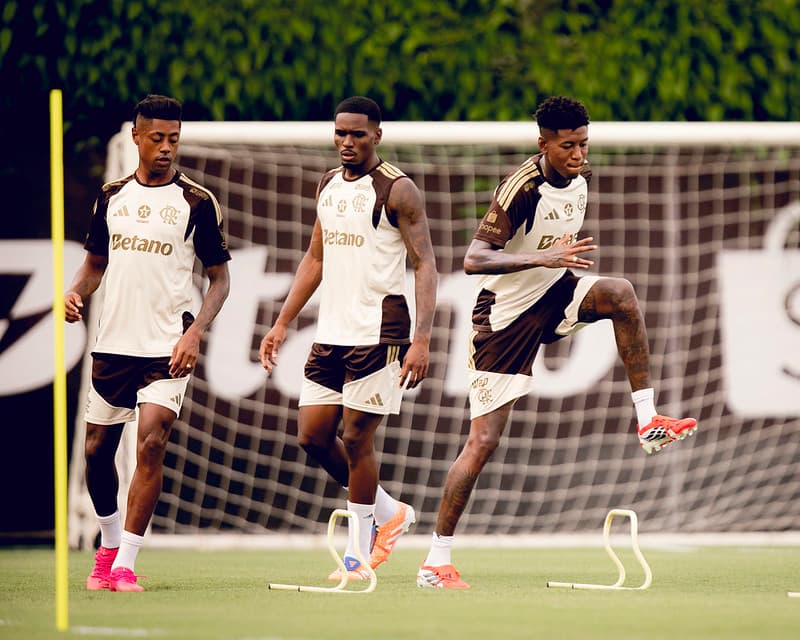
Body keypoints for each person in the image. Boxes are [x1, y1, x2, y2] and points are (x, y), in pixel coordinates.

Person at [416, 96, 698, 589]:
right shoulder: (520, 189)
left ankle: (649, 419)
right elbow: (473, 260)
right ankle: (434, 563)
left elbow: (558, 251)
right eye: (568, 145)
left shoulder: (582, 181)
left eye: (584, 144)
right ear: (542, 143)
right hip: (504, 320)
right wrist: (541, 261)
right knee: (483, 442)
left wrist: (554, 266)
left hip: (555, 294)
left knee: (621, 295)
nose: (578, 154)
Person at [259, 96, 438, 580]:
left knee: (356, 436)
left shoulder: (398, 190)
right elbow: (315, 258)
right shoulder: (328, 185)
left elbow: (424, 264)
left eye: (358, 134)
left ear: (377, 135)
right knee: (313, 436)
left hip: (381, 331)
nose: (347, 142)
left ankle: (358, 558)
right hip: (331, 331)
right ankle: (389, 513)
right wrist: (281, 322)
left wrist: (422, 340)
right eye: (340, 133)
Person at [65, 94, 231, 592]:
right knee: (96, 451)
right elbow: (94, 265)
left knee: (152, 444)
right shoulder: (111, 196)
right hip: (113, 342)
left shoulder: (197, 202)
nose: (165, 148)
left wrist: (195, 331)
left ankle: (125, 565)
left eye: (174, 139)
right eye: (157, 138)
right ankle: (109, 543)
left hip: (166, 348)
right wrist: (75, 292)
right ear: (136, 137)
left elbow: (220, 280)